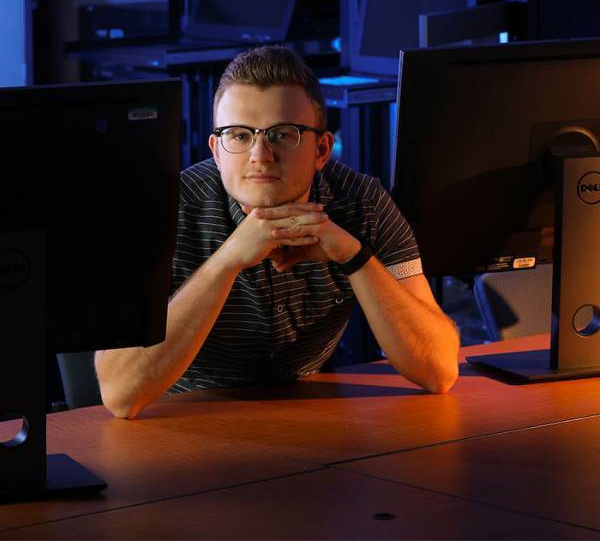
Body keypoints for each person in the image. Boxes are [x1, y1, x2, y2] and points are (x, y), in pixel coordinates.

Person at [96, 46, 459, 419]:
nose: (260, 155)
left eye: (283, 135)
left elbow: (438, 371)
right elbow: (121, 394)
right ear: (217, 151)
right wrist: (227, 260)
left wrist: (354, 257)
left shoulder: (364, 205)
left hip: (310, 422)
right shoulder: (168, 211)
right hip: (182, 423)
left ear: (321, 149)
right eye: (238, 136)